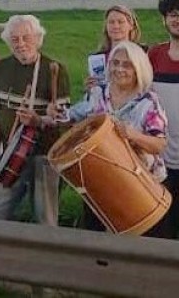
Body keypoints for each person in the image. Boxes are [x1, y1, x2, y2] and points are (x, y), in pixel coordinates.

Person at [69, 41, 169, 237]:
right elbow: (75, 115)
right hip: (100, 180)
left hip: (139, 186)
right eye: (115, 63)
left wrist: (133, 135)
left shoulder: (148, 101)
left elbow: (159, 145)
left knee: (140, 246)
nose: (119, 69)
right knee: (97, 243)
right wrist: (45, 116)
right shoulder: (98, 93)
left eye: (126, 65)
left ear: (138, 69)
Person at [0, 15, 70, 225]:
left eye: (26, 37)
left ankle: (46, 256)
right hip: (10, 150)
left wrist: (40, 119)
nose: (21, 44)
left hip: (44, 154)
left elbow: (64, 119)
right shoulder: (2, 68)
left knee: (45, 217)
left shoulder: (54, 69)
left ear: (38, 38)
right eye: (15, 39)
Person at [149, 0, 179, 239]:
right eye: (173, 15)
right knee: (164, 230)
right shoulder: (154, 56)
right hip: (162, 162)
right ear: (164, 19)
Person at [86, 5, 143, 87]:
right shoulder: (97, 58)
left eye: (120, 22)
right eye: (111, 22)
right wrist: (89, 89)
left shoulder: (143, 54)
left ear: (131, 25)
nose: (116, 26)